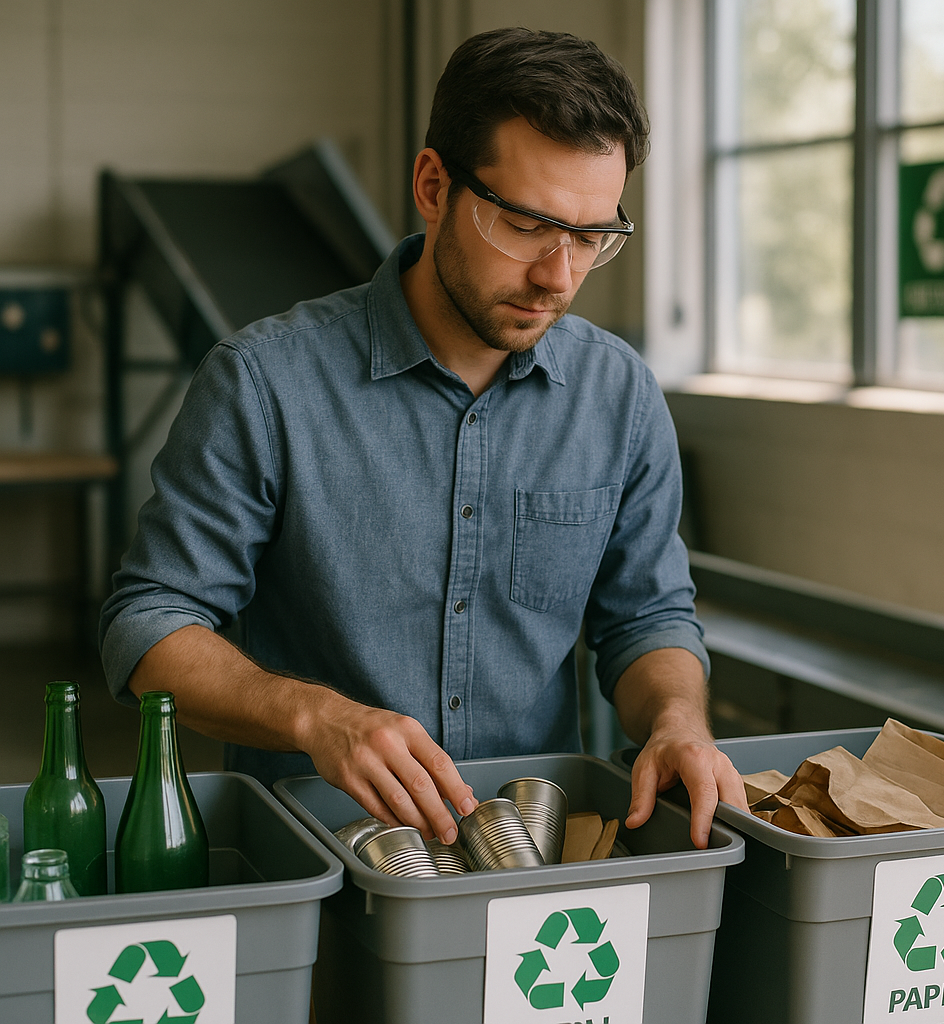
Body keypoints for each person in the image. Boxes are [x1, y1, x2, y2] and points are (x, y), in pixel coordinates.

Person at [99, 27, 747, 850]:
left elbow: (647, 617)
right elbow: (150, 622)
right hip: (320, 853)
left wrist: (677, 720)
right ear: (434, 185)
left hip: (537, 856)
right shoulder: (264, 383)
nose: (558, 276)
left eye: (591, 238)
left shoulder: (618, 395)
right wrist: (316, 716)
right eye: (525, 224)